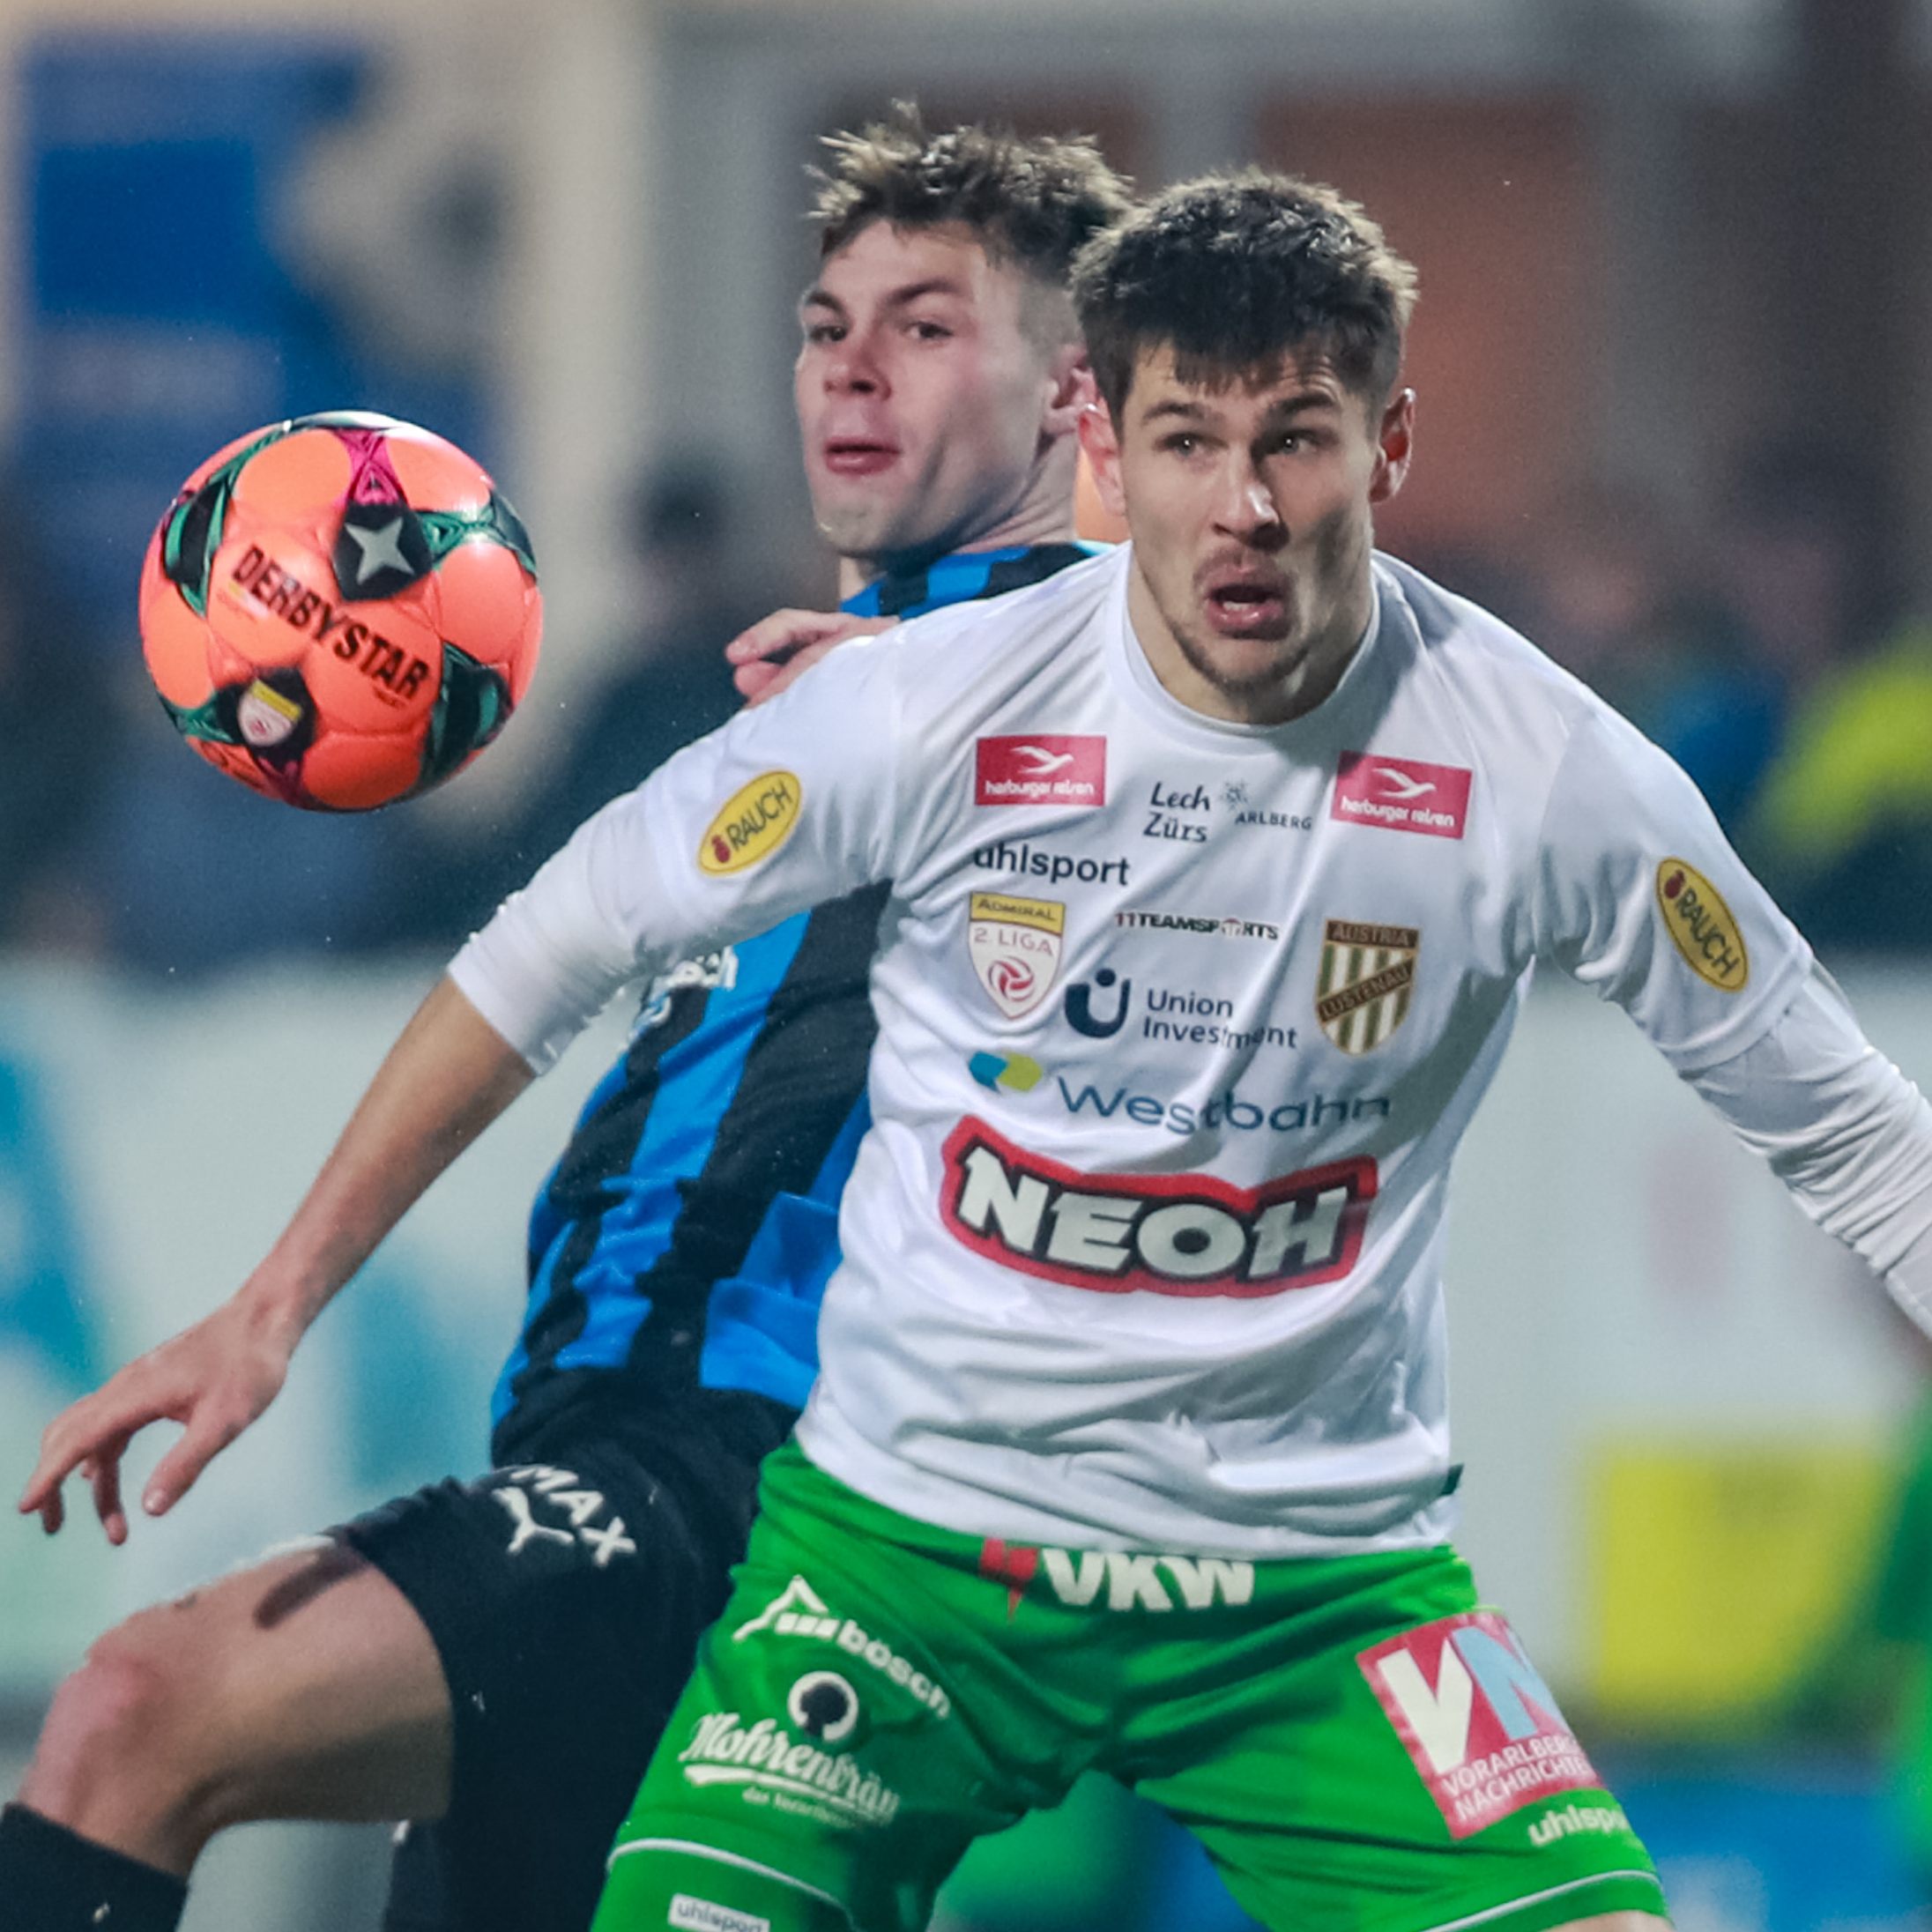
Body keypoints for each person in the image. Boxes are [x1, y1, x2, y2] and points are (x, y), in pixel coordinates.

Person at [452, 169, 1926, 1931]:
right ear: (1105, 443)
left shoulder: (1548, 767)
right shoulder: (928, 697)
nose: (1244, 506)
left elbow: (1857, 1134)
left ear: (1386, 446)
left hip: (1318, 1593)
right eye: (1188, 443)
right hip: (918, 1562)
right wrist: (275, 1300)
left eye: (1296, 440)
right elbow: (546, 939)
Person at [3, 110, 1131, 1932]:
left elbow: (1274, 689)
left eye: (924, 327)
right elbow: (520, 972)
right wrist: (266, 1312)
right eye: (824, 324)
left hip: (766, 1481)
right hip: (595, 1439)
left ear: (1079, 398)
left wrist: (998, 673)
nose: (849, 366)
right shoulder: (786, 712)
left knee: (140, 1708)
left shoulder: (1120, 693)